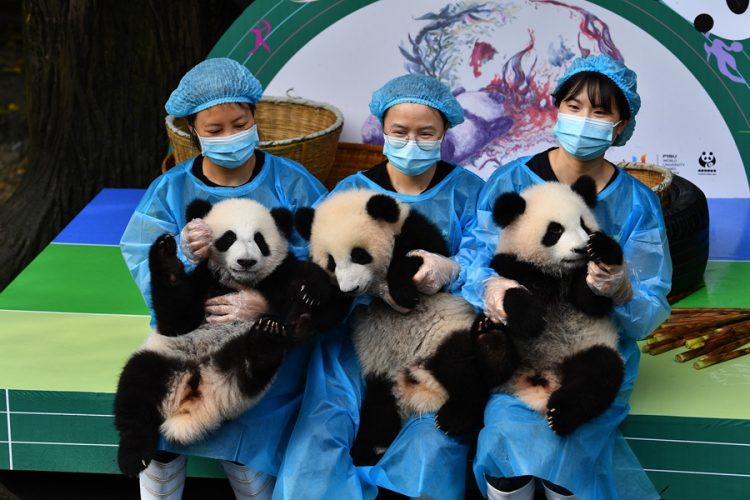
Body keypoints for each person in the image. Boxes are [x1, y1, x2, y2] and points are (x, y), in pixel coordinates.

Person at [460, 54, 672, 499]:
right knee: (504, 437)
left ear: (620, 124)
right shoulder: (511, 181)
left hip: (592, 352)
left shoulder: (637, 203)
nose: (584, 119)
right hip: (522, 353)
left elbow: (648, 310)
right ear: (557, 108)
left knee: (570, 446)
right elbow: (475, 258)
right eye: (574, 106)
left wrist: (622, 290)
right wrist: (491, 287)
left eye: (600, 110)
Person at [119, 57, 326, 500]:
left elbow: (323, 265)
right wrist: (180, 258)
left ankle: (251, 480)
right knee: (155, 416)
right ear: (193, 130)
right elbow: (143, 258)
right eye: (215, 130)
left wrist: (271, 305)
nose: (230, 136)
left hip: (268, 336)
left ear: (256, 119)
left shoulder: (294, 184)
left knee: (248, 421)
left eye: (240, 123)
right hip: (189, 328)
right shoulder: (172, 191)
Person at [273, 73, 485, 499]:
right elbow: (315, 266)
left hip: (436, 339)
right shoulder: (350, 192)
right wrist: (363, 287)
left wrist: (454, 270)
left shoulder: (469, 191)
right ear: (382, 131)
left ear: (445, 131)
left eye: (426, 133)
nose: (412, 142)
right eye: (399, 131)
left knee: (431, 447)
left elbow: (487, 259)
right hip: (354, 344)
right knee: (321, 439)